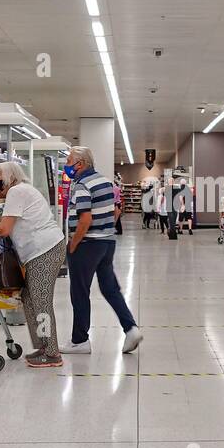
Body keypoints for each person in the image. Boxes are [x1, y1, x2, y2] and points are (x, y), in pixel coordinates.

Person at [60, 146, 142, 355]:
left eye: (69, 161)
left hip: (87, 245)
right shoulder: (105, 181)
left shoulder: (81, 185)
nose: (67, 165)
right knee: (110, 288)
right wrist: (106, 230)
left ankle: (80, 341)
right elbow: (115, 211)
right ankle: (130, 328)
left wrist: (74, 243)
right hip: (107, 243)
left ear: (80, 164)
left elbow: (85, 219)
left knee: (79, 291)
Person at [0, 160, 65, 368]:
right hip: (41, 250)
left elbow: (4, 229)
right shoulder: (19, 191)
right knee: (29, 297)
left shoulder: (17, 192)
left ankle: (51, 353)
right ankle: (43, 346)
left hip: (44, 249)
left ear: (10, 177)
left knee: (40, 299)